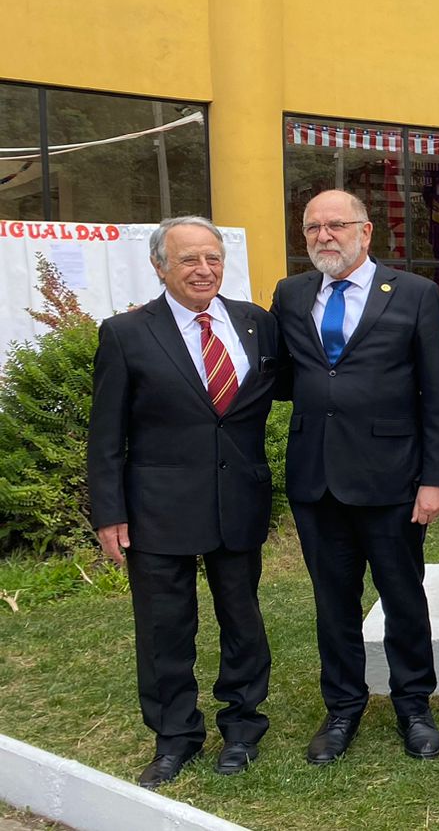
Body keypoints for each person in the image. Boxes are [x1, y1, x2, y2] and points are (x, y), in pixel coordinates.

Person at [87, 216, 279, 788]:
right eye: (189, 260)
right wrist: (109, 513)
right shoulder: (126, 334)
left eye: (213, 258)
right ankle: (174, 737)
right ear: (160, 267)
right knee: (165, 627)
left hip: (237, 500)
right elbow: (105, 435)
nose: (204, 270)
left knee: (242, 619)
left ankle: (242, 727)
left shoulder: (255, 325)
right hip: (157, 508)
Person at [270, 190, 439, 764]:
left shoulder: (416, 294)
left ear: (366, 231)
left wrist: (435, 478)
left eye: (336, 225)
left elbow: (436, 396)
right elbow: (278, 374)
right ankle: (343, 708)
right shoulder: (291, 294)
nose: (324, 236)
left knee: (402, 597)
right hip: (316, 478)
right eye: (312, 228)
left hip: (393, 479)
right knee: (333, 601)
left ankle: (414, 706)